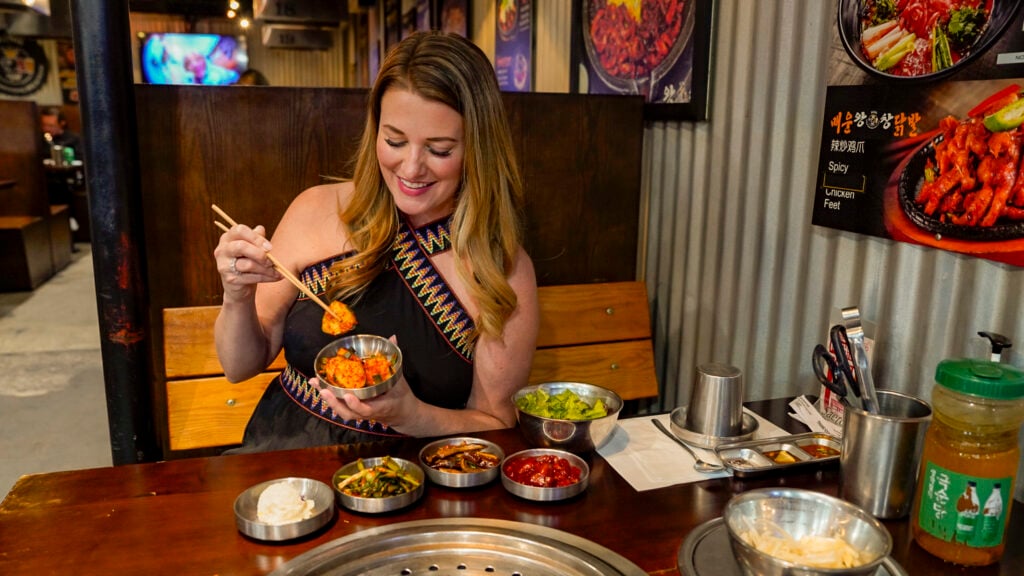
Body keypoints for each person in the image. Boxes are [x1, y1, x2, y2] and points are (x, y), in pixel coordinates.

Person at [213, 31, 539, 453]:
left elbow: (495, 424)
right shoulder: (316, 209)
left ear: (477, 148)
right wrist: (236, 295)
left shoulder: (502, 268)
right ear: (375, 131)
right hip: (283, 460)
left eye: (439, 149)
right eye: (395, 141)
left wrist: (411, 416)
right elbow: (240, 366)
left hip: (415, 474)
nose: (411, 167)